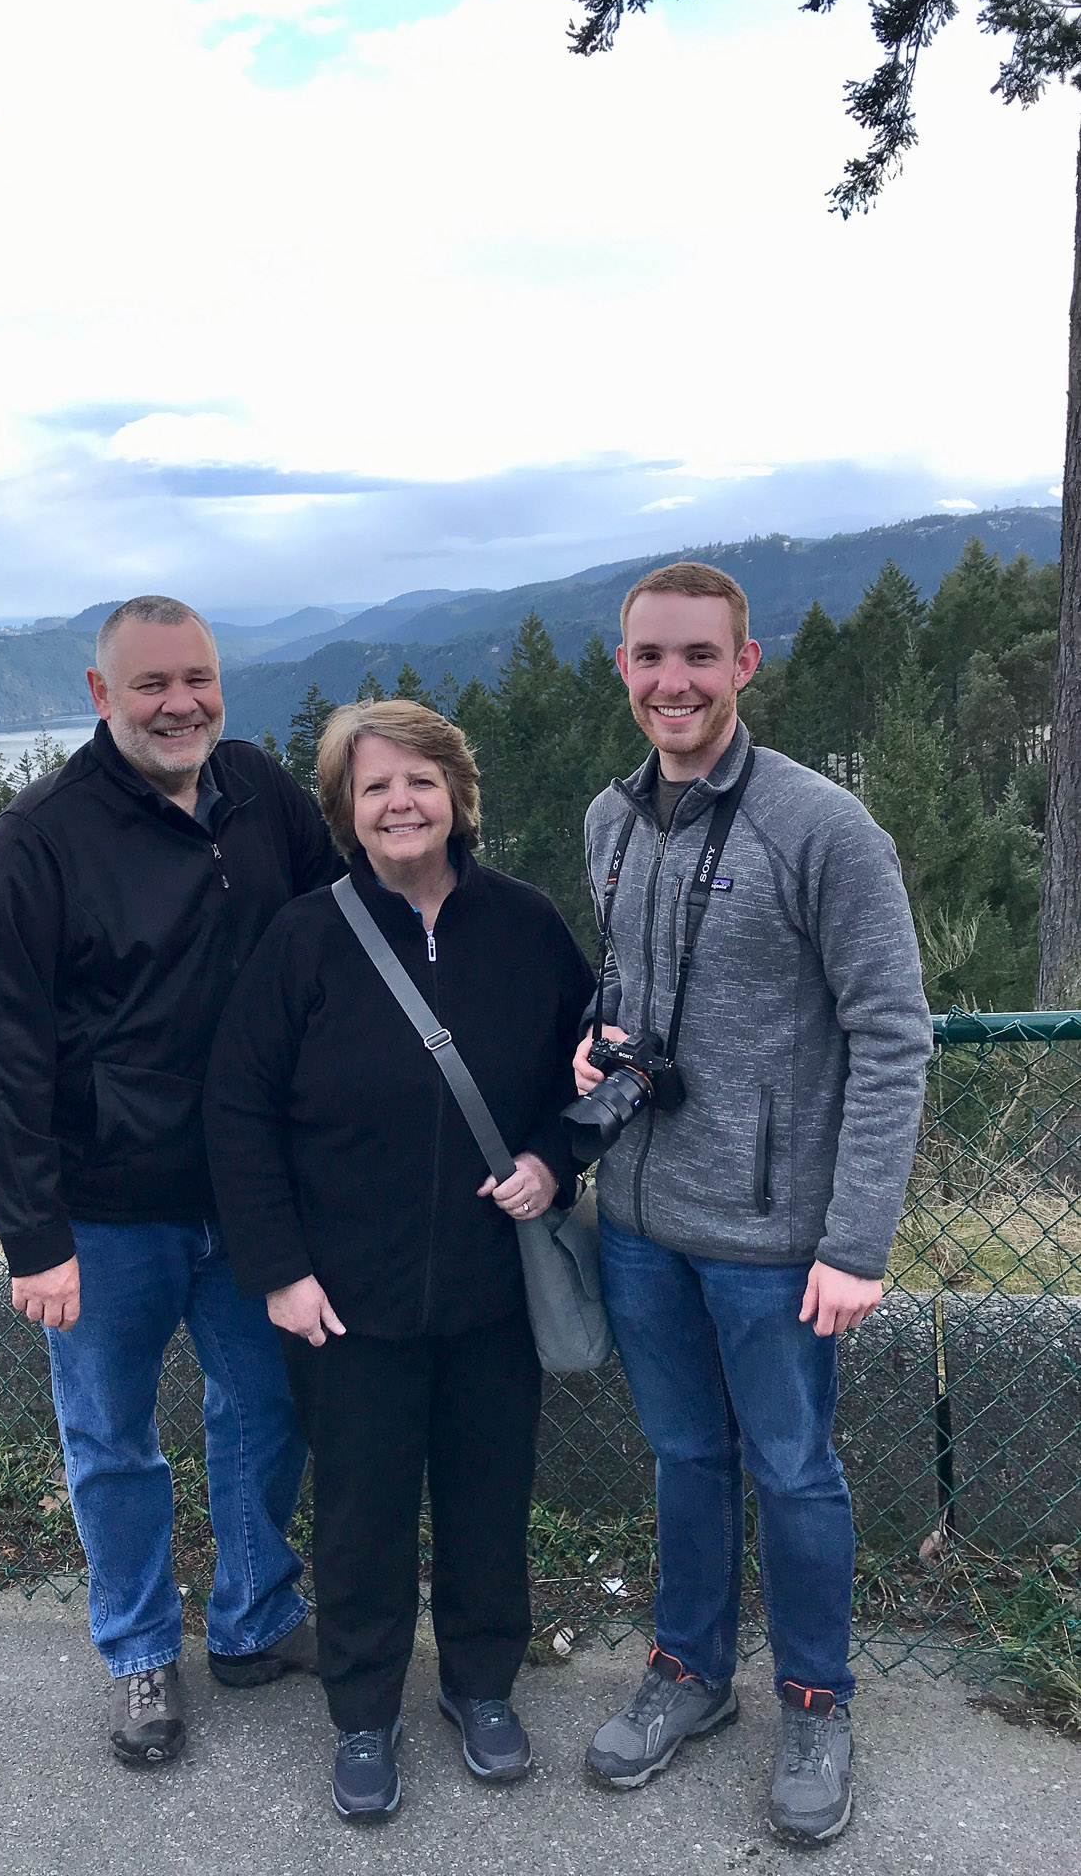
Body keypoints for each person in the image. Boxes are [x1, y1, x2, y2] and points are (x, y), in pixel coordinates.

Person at [574, 562, 932, 1848]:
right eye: (649, 656)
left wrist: (856, 1239)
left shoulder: (822, 826)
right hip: (641, 1221)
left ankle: (817, 1700)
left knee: (793, 1469)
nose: (672, 681)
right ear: (622, 664)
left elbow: (893, 1034)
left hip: (776, 1243)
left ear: (745, 663)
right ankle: (690, 1670)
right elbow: (626, 987)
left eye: (697, 656)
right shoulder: (611, 821)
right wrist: (595, 1044)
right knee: (684, 1458)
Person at [0, 595, 339, 1769]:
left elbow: (345, 926)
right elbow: (1, 1051)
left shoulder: (259, 791)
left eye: (198, 678)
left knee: (266, 1407)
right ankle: (138, 1650)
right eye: (153, 683)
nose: (181, 704)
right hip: (105, 1210)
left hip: (251, 1194)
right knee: (112, 1439)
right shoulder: (37, 840)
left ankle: (254, 1615)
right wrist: (34, 1236)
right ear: (100, 693)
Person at [203, 700, 594, 1824]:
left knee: (488, 1503)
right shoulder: (303, 940)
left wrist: (552, 1162)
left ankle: (481, 1687)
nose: (400, 803)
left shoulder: (527, 926)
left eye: (419, 780)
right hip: (345, 1301)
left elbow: (590, 1073)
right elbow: (238, 1110)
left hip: (491, 1293)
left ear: (458, 794)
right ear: (345, 809)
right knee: (359, 1517)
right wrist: (279, 1269)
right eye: (374, 786)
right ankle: (364, 1712)